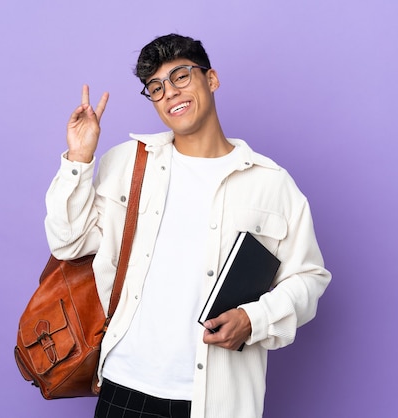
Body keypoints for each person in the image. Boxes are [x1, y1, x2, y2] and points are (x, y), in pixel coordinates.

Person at [45, 33, 331, 418]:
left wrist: (254, 319)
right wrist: (79, 159)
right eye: (156, 87)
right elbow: (68, 242)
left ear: (211, 79)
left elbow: (309, 277)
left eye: (181, 76)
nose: (170, 93)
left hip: (216, 400)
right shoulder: (128, 163)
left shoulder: (271, 184)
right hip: (124, 387)